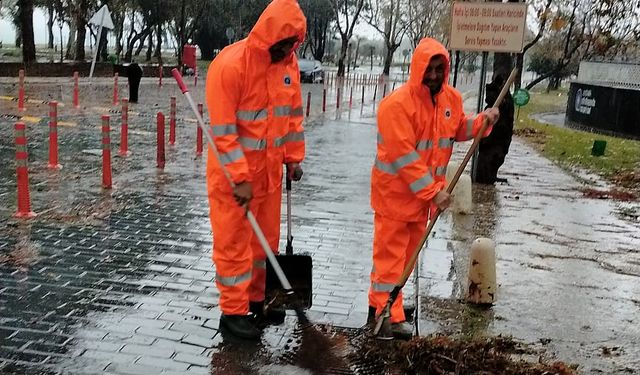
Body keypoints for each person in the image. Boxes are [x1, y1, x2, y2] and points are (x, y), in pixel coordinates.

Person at [368, 38, 500, 339]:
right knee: (390, 259)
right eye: (429, 69)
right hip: (395, 198)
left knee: (407, 258)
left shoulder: (449, 99)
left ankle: (388, 305)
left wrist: (483, 121)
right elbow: (405, 158)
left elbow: (460, 129)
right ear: (418, 69)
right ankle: (387, 313)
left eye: (440, 69)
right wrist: (433, 192)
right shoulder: (396, 106)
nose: (434, 75)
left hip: (422, 202)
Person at [205, 0, 306, 340]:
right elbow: (223, 133)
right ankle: (232, 317)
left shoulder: (288, 67)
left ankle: (256, 302)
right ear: (269, 36)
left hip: (269, 177)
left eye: (294, 43)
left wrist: (294, 158)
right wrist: (241, 178)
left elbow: (292, 119)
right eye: (285, 43)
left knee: (264, 245)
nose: (289, 49)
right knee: (234, 247)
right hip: (234, 180)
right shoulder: (230, 66)